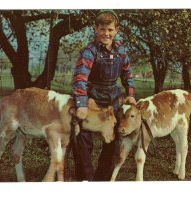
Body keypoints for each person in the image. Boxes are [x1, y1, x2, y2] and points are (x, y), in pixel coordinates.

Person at [71, 10, 136, 181]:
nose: (106, 34)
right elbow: (80, 78)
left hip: (113, 99)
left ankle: (102, 180)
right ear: (96, 29)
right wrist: (81, 103)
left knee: (113, 142)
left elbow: (127, 73)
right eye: (102, 29)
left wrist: (130, 94)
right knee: (82, 139)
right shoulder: (89, 51)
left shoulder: (121, 50)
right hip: (91, 99)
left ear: (116, 30)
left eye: (110, 30)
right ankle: (85, 179)